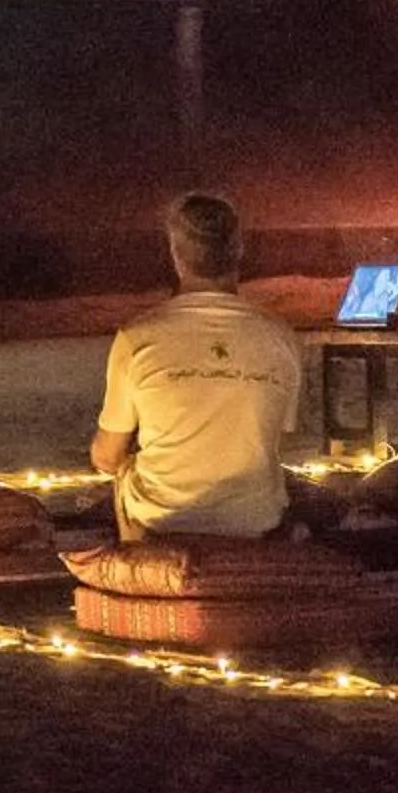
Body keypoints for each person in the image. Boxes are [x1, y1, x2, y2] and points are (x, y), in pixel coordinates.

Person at [90, 192, 305, 540]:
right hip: (255, 521)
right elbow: (277, 437)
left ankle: (143, 568)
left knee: (121, 469)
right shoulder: (281, 337)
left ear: (176, 255)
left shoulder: (137, 337)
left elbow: (107, 455)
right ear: (238, 250)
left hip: (161, 524)